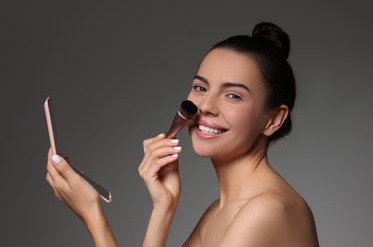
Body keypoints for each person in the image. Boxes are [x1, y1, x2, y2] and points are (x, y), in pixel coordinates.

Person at [46, 21, 319, 247]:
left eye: (233, 95)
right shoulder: (218, 212)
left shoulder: (267, 211)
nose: (206, 107)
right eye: (200, 88)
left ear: (274, 119)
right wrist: (164, 207)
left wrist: (94, 216)